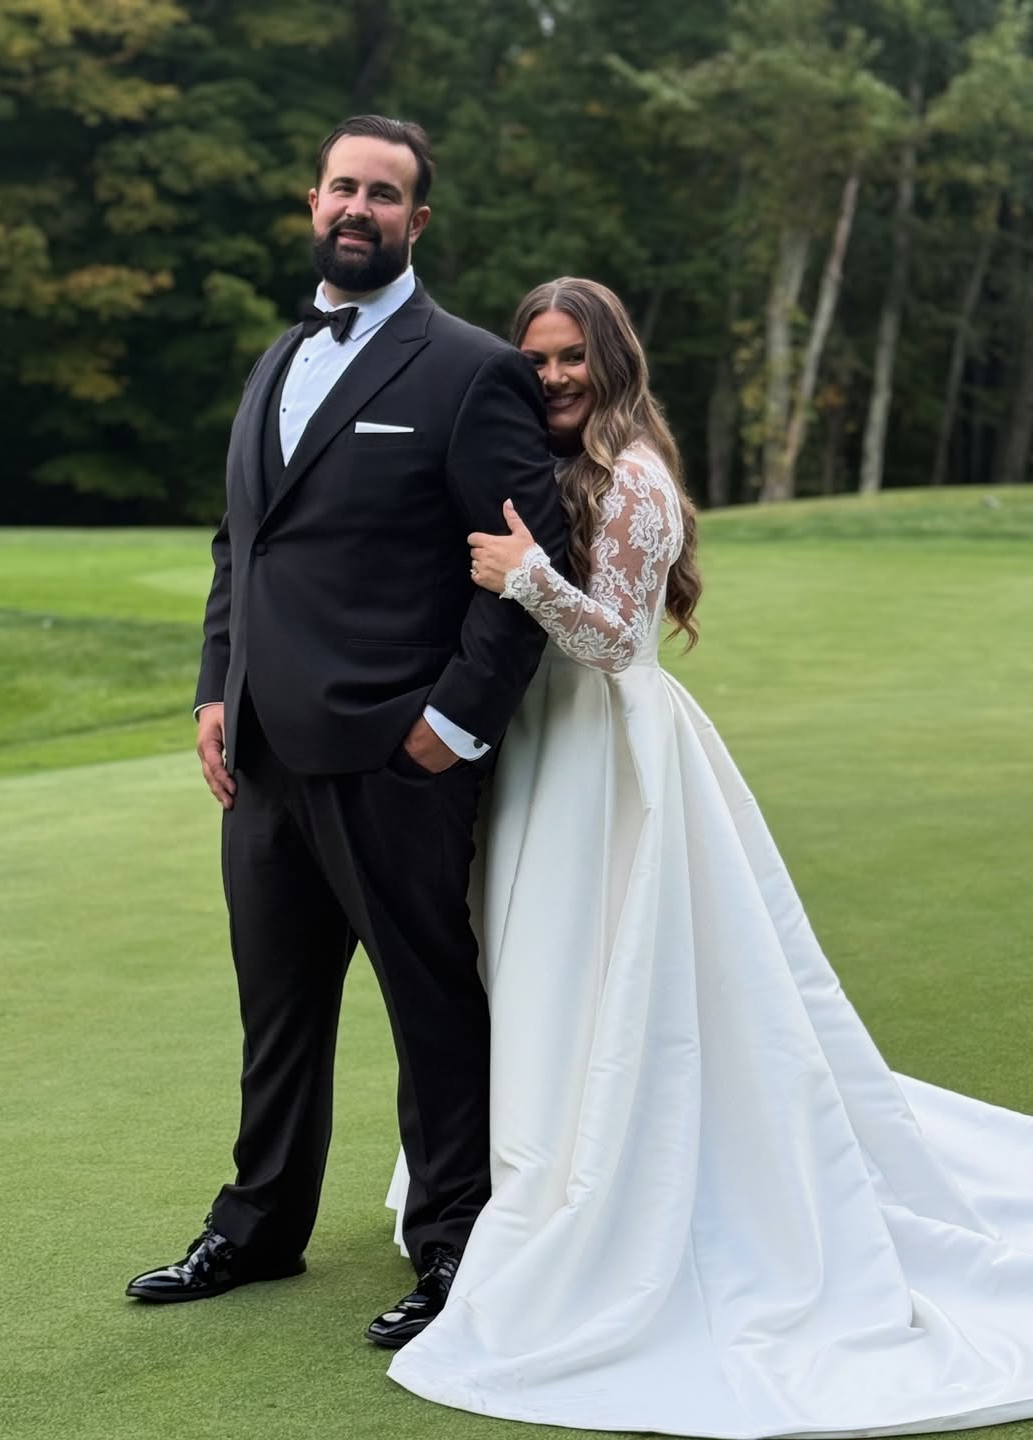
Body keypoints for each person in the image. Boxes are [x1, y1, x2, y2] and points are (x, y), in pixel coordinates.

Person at [384, 277, 1033, 1436]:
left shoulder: (635, 477)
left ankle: (622, 1182)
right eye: (536, 358)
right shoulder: (544, 462)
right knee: (529, 962)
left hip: (609, 754)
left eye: (574, 356)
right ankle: (520, 1169)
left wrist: (527, 577)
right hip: (537, 752)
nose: (554, 378)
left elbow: (619, 643)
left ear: (615, 361)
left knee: (609, 962)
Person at [124, 116, 567, 1349]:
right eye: (341, 187)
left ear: (417, 222)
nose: (357, 207)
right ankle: (260, 1225)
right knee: (277, 1011)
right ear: (313, 204)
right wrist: (218, 688)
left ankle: (454, 1249)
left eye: (384, 193)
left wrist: (452, 725)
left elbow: (535, 567)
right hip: (261, 757)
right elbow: (240, 546)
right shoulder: (276, 360)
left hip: (394, 760)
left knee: (431, 1012)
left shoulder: (471, 368)